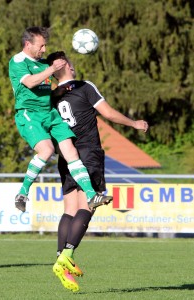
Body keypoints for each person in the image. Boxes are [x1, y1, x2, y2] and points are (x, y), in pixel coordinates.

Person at [47, 51, 149, 292]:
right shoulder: (84, 86)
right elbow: (109, 113)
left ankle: (61, 257)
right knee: (88, 206)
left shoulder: (52, 97)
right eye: (71, 64)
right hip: (87, 153)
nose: (73, 67)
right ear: (67, 67)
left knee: (69, 209)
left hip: (66, 155)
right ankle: (67, 255)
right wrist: (135, 123)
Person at [8, 27, 112, 215]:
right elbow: (30, 83)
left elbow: (45, 92)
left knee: (71, 151)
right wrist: (51, 69)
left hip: (50, 114)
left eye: (45, 45)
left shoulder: (41, 64)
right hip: (29, 114)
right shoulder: (18, 61)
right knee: (46, 149)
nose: (44, 50)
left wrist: (58, 92)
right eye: (41, 46)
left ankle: (91, 195)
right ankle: (22, 193)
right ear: (28, 44)